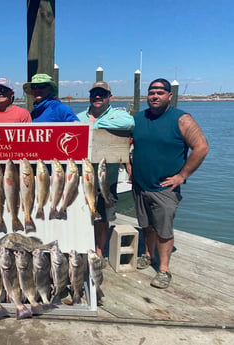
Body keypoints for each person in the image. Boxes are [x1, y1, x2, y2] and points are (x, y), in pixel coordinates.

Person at [130, 78, 208, 289]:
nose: (155, 96)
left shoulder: (182, 119)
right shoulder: (138, 118)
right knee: (146, 225)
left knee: (164, 230)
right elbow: (127, 145)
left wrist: (182, 175)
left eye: (160, 92)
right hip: (139, 184)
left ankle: (164, 268)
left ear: (169, 96)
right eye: (151, 92)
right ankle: (148, 254)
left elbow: (201, 147)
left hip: (165, 187)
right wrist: (129, 167)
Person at [77, 81, 135, 260]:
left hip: (106, 178)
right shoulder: (79, 117)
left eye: (102, 94)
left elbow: (130, 123)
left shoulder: (119, 116)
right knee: (80, 214)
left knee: (102, 218)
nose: (97, 97)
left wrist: (95, 127)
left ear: (110, 97)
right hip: (82, 177)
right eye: (94, 93)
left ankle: (99, 251)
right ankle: (82, 246)